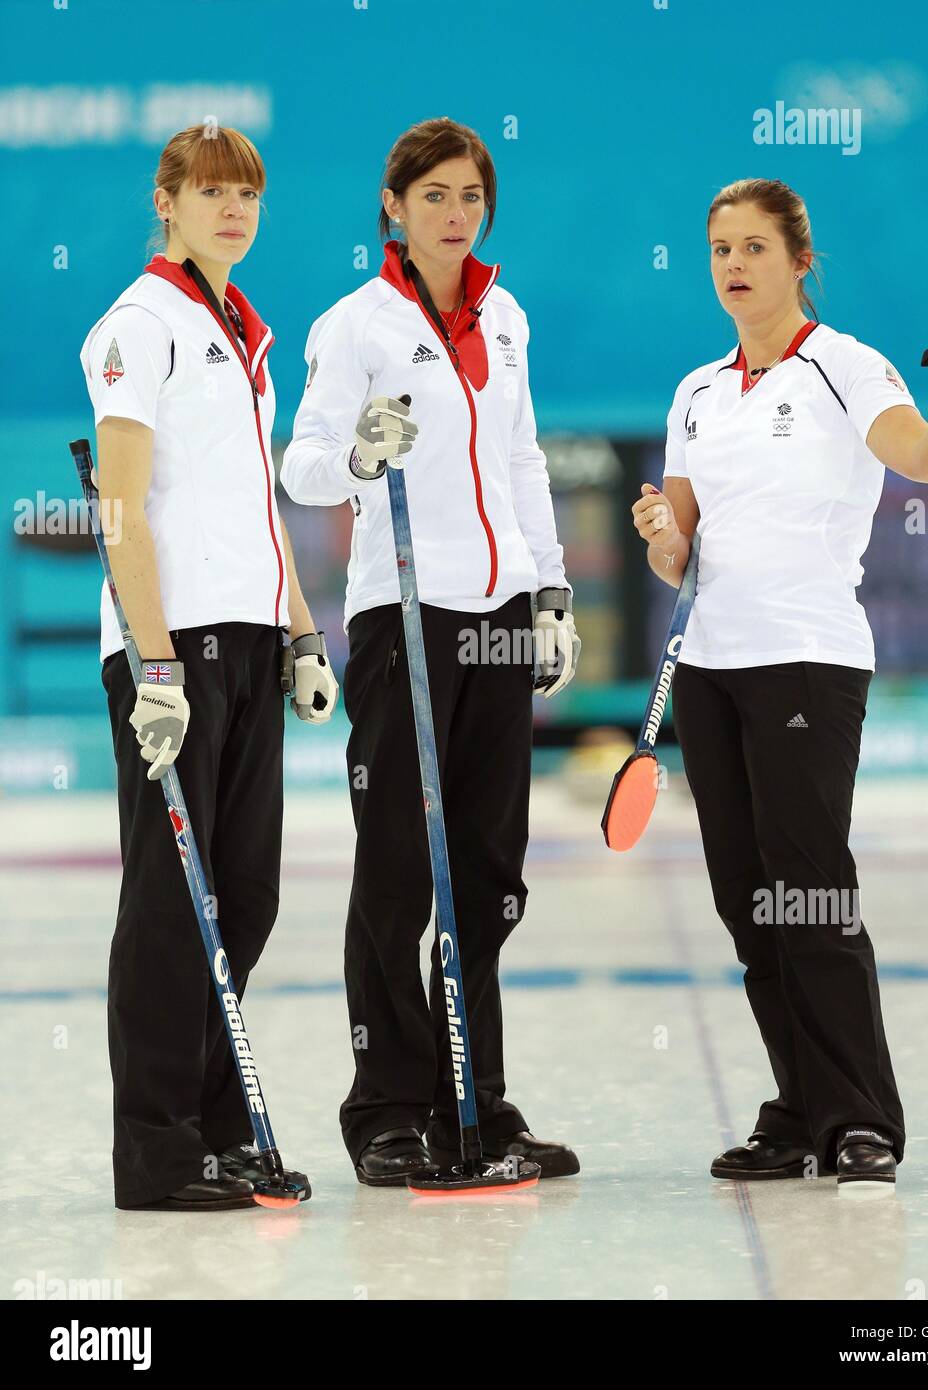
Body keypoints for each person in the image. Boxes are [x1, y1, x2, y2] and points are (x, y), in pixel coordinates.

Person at [632, 178, 928, 1188]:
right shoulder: (694, 392)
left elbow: (923, 459)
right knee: (750, 908)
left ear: (798, 260)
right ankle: (796, 1107)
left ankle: (859, 1117)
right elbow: (677, 554)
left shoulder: (843, 366)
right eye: (719, 250)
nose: (733, 266)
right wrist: (660, 535)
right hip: (710, 672)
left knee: (810, 893)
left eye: (754, 248)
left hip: (808, 662)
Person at [282, 116, 581, 1185]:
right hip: (402, 619)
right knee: (404, 873)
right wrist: (362, 452)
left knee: (491, 879)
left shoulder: (506, 321)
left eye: (470, 196)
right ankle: (389, 1107)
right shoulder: (353, 326)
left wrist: (549, 586)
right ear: (393, 208)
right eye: (435, 196)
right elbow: (302, 467)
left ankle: (476, 1102)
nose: (456, 215)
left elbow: (523, 457)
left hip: (501, 617)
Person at [80, 123, 338, 1211]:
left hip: (247, 640)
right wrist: (154, 661)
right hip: (171, 650)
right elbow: (121, 502)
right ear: (167, 200)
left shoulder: (237, 331)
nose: (234, 210)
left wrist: (302, 630)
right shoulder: (141, 325)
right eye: (212, 191)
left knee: (248, 894)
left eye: (248, 194)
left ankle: (224, 1130)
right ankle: (157, 1147)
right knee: (169, 904)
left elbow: (257, 507)